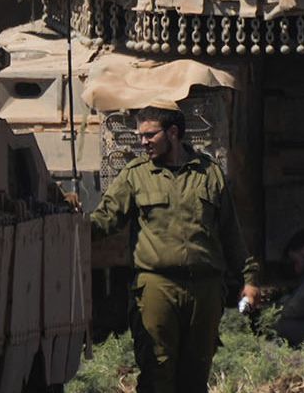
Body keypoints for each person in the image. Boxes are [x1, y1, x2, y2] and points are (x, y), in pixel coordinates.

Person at [91, 106, 261, 393]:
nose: (142, 142)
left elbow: (231, 232)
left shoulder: (209, 174)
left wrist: (249, 279)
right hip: (157, 287)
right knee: (157, 371)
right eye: (139, 135)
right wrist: (71, 222)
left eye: (149, 135)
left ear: (173, 133)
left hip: (205, 289)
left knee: (195, 376)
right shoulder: (136, 175)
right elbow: (104, 220)